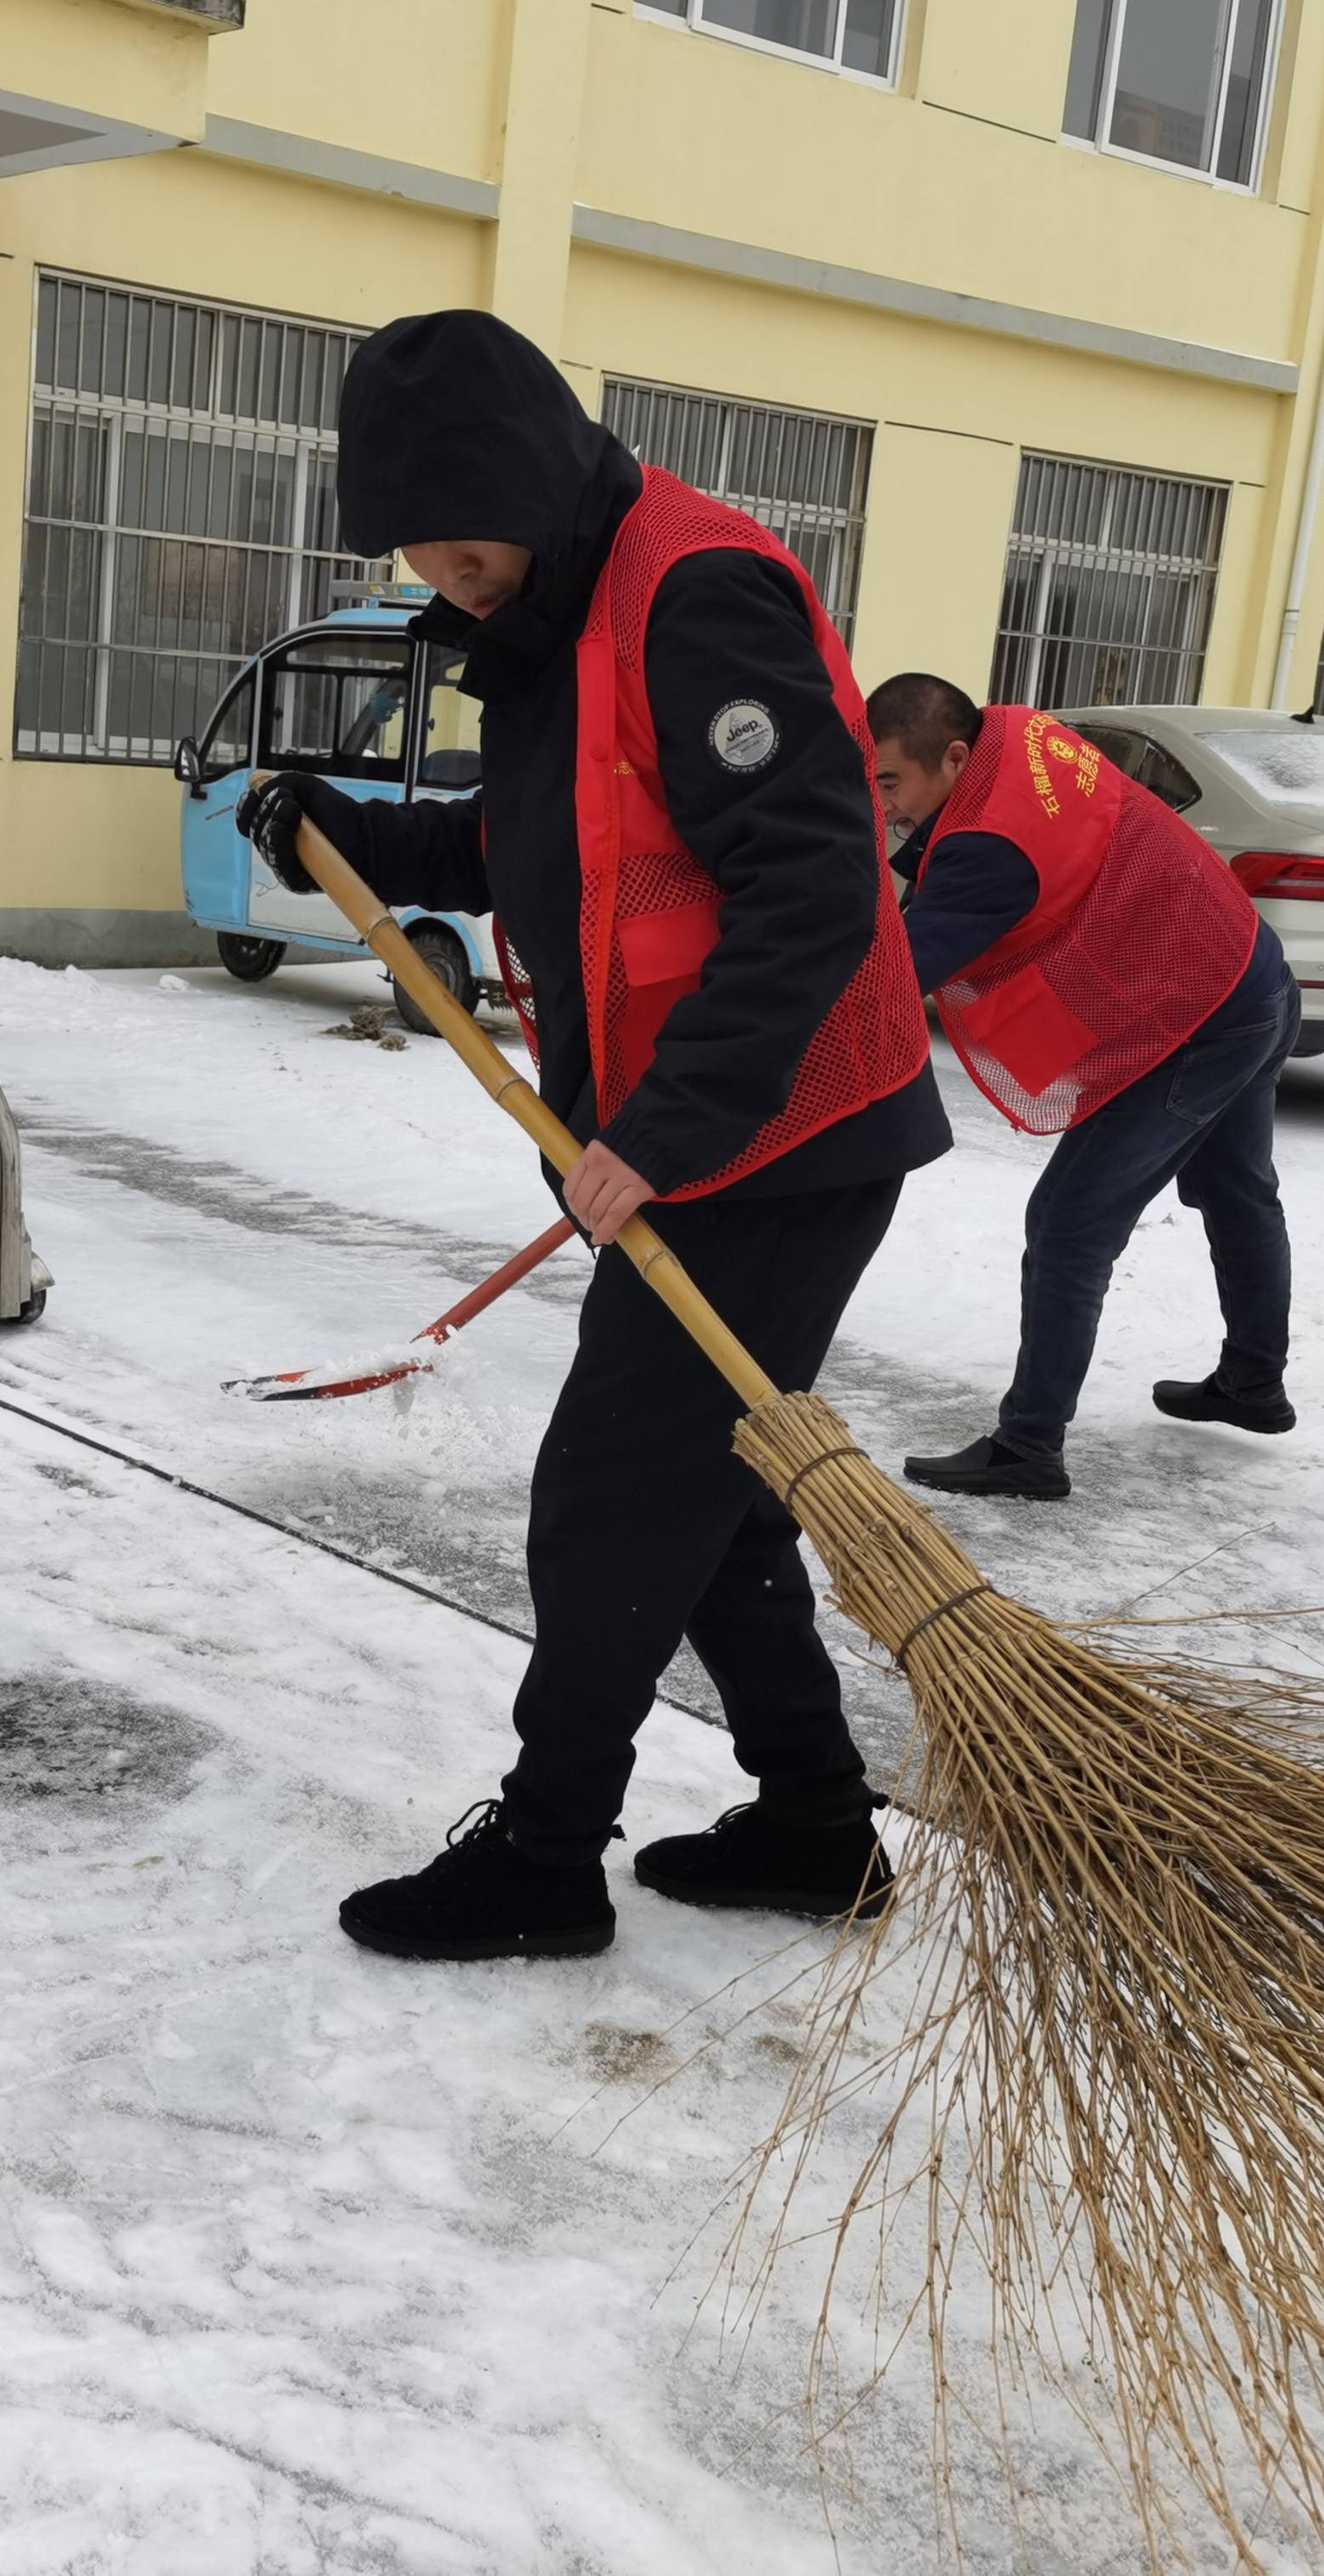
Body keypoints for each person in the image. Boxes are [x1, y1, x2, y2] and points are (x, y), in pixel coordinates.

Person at [238, 310, 946, 1963]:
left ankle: (546, 1856)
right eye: (421, 556)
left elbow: (813, 885)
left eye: (464, 548)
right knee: (705, 1502)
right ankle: (814, 1826)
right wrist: (340, 825)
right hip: (697, 1137)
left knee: (607, 1496)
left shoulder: (691, 594)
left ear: (530, 487)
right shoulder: (554, 610)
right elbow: (536, 852)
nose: (450, 579)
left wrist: (667, 1126)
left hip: (781, 1130)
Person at [866, 673, 1298, 1502]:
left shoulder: (989, 847)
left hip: (1195, 1015)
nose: (883, 805)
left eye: (890, 783)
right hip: (1245, 961)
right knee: (1239, 1191)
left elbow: (886, 978)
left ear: (954, 758)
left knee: (1067, 1225)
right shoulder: (1021, 734)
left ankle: (1028, 1445)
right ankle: (1252, 1383)